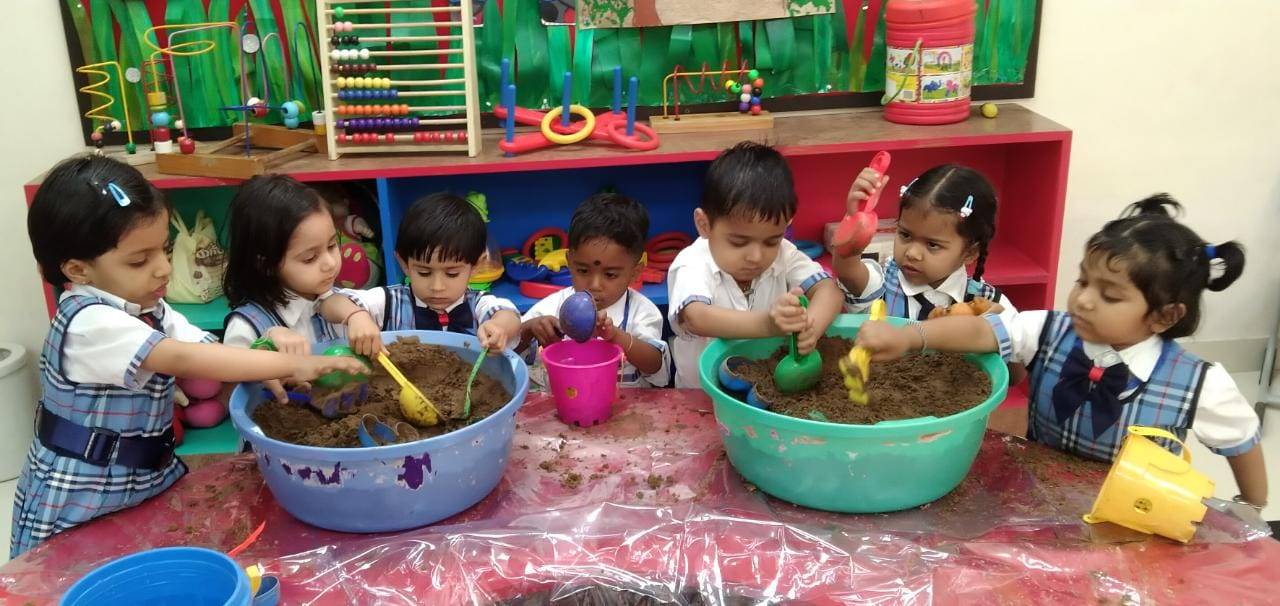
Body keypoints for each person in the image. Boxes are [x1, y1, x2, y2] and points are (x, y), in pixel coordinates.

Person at [13, 156, 366, 557]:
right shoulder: (89, 322)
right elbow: (183, 359)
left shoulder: (149, 308)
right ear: (78, 270)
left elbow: (210, 352)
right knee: (75, 576)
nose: (164, 269)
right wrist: (297, 363)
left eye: (164, 250)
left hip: (139, 476)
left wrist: (264, 351)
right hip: (82, 493)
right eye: (139, 260)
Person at [853, 196, 1268, 508]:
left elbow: (1241, 441)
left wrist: (1250, 509)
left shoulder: (1199, 383)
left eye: (1109, 295)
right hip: (1042, 498)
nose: (1083, 300)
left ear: (1164, 316)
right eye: (1083, 281)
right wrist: (913, 336)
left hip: (1134, 514)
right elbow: (981, 330)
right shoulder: (1047, 329)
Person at [667, 142, 842, 388]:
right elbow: (696, 317)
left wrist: (810, 327)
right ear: (704, 225)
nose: (756, 256)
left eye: (771, 241)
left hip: (765, 390)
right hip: (701, 396)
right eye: (739, 242)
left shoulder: (784, 254)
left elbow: (829, 290)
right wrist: (768, 324)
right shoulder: (692, 263)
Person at [520, 193, 670, 387]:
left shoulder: (641, 312)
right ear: (570, 262)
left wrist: (615, 336)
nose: (594, 285)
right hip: (562, 403)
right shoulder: (554, 306)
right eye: (583, 271)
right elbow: (509, 348)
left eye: (610, 274)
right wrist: (530, 329)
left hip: (626, 404)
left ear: (635, 272)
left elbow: (654, 364)